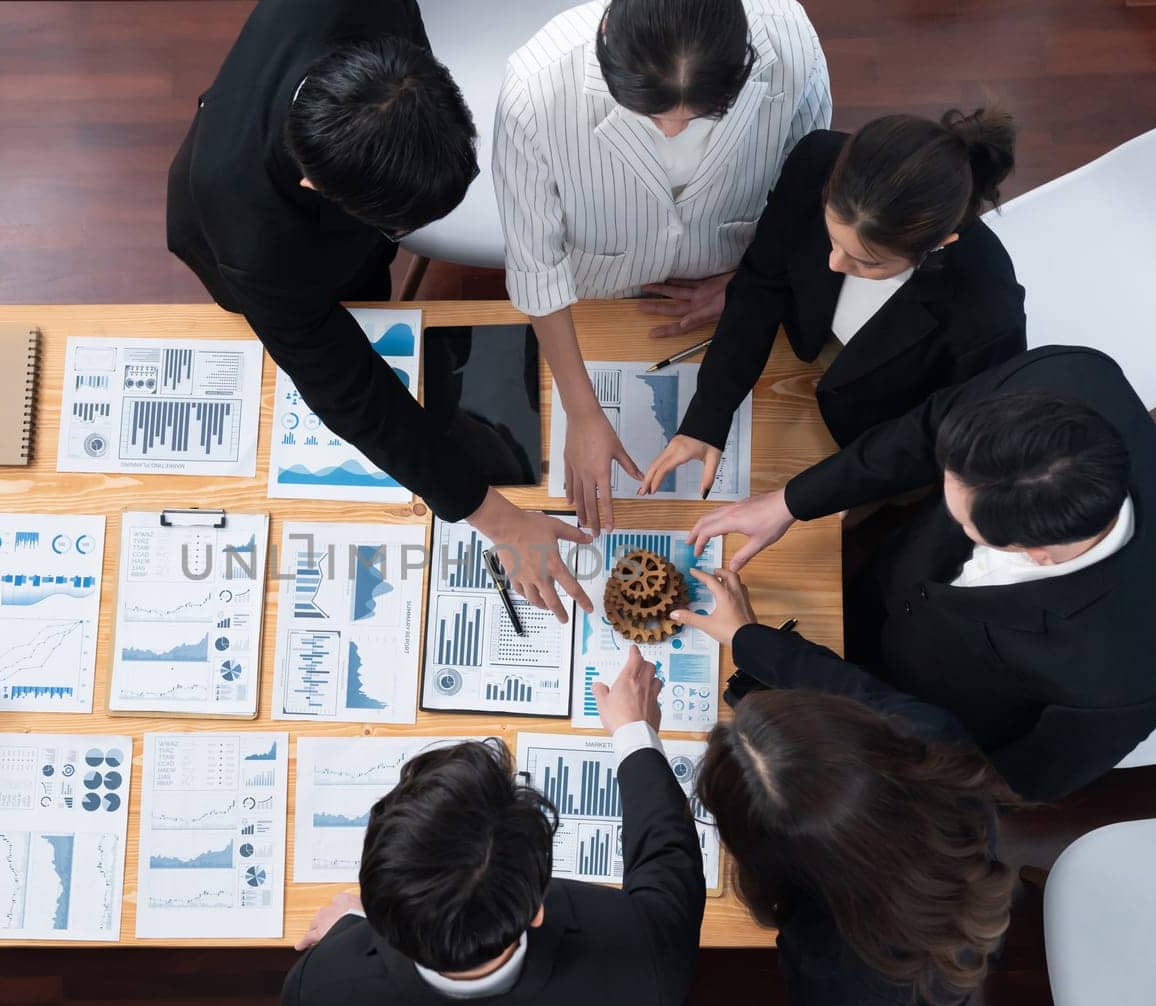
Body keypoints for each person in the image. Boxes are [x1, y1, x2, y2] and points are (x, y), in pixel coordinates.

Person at [168, 0, 589, 621]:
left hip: (351, 153)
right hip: (237, 235)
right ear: (322, 191)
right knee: (333, 319)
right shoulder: (249, 229)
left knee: (371, 286)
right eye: (400, 225)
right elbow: (350, 392)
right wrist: (495, 515)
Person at [686, 346, 1156, 800]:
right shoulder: (1070, 376)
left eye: (963, 520)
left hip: (908, 710)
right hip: (885, 592)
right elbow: (927, 430)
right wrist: (789, 502)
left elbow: (982, 771)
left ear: (1036, 553)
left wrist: (756, 643)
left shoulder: (1115, 691)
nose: (943, 508)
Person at [281, 653, 706, 1006]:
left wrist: (348, 925)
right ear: (538, 908)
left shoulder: (317, 1000)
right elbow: (668, 861)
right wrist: (634, 732)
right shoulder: (644, 961)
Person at [669, 562, 1014, 1006]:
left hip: (918, 1002)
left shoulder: (843, 970)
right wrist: (746, 639)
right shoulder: (930, 737)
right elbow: (846, 683)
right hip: (956, 926)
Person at [494, 0, 830, 532]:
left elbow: (808, 194)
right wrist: (583, 414)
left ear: (743, 61)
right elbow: (535, 264)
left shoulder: (793, 49)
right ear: (607, 40)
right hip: (597, 287)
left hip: (735, 275)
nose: (672, 132)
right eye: (649, 113)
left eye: (699, 115)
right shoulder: (534, 87)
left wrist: (745, 282)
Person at [640, 108, 1026, 496]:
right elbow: (762, 282)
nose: (834, 263)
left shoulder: (989, 312)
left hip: (878, 434)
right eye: (832, 237)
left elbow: (942, 431)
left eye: (867, 261)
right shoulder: (817, 160)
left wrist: (804, 497)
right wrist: (706, 419)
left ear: (938, 246)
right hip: (805, 357)